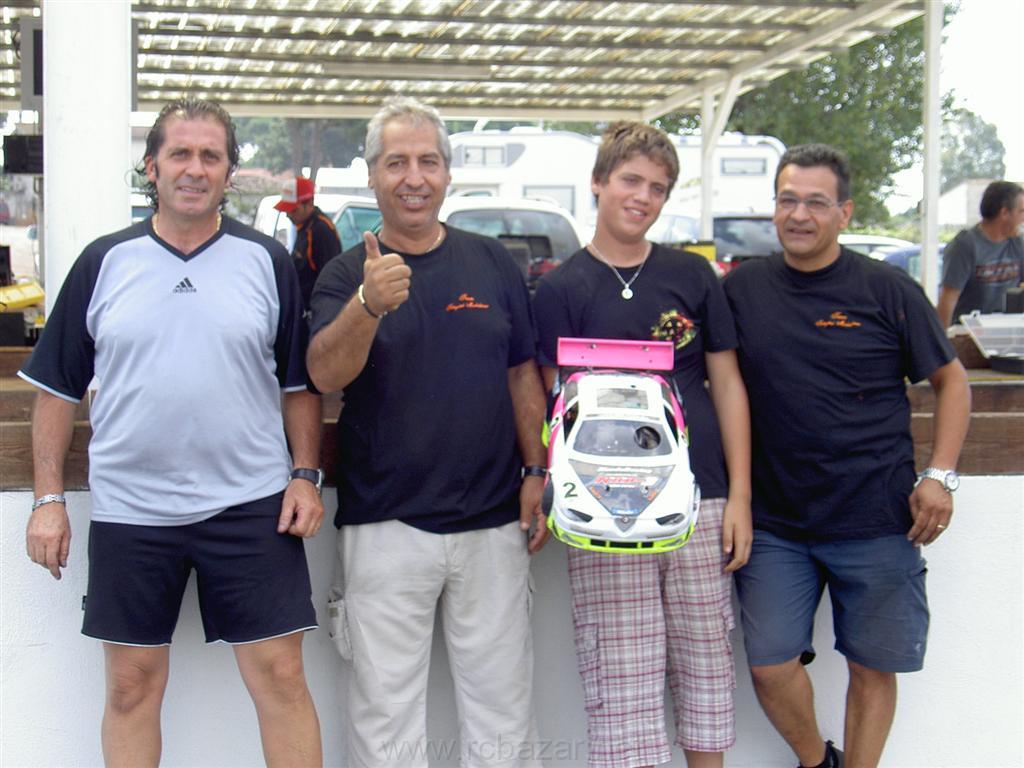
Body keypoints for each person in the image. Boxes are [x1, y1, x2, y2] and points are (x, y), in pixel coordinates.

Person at [19, 98, 325, 767]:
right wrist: (48, 500)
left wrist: (305, 474)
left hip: (250, 504)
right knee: (131, 687)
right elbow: (56, 391)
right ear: (152, 167)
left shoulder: (266, 261)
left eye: (211, 156)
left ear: (229, 172)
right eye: (179, 153)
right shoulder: (104, 261)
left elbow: (298, 385)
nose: (195, 168)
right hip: (132, 508)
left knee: (280, 677)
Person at [306, 95, 548, 768]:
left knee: (503, 716)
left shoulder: (492, 263)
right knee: (385, 721)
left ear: (447, 173)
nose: (413, 177)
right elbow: (323, 373)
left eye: (427, 162)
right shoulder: (346, 273)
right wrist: (367, 305)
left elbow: (522, 374)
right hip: (385, 525)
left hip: (493, 523)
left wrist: (536, 470)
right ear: (372, 176)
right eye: (396, 163)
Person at [723, 144, 971, 768]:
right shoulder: (744, 288)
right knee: (770, 665)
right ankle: (819, 763)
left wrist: (940, 475)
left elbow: (952, 381)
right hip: (776, 522)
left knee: (872, 665)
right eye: (787, 200)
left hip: (877, 514)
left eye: (816, 202)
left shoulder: (886, 289)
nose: (798, 215)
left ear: (844, 212)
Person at [532, 121, 753, 768]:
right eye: (630, 180)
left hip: (700, 499)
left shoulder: (693, 274)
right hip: (606, 509)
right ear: (598, 183)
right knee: (622, 680)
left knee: (706, 666)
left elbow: (727, 383)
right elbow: (552, 404)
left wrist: (740, 497)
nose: (642, 197)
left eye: (657, 188)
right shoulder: (561, 288)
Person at [937, 180, 1024, 326]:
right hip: (967, 331)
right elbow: (948, 300)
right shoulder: (965, 246)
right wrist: (942, 338)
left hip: (1006, 330)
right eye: (1022, 211)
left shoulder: (1018, 242)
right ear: (1004, 213)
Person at [274, 174, 342, 309]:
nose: (288, 215)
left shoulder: (320, 230)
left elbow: (329, 277)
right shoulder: (303, 226)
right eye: (287, 210)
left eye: (293, 210)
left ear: (309, 203)